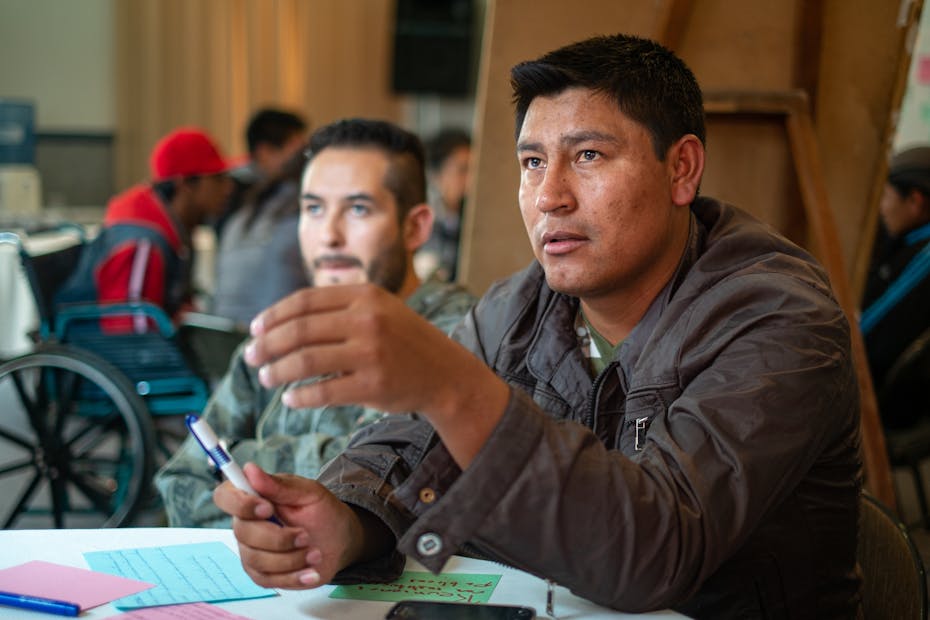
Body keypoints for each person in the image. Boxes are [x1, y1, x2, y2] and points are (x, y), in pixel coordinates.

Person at [214, 34, 861, 618]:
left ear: (682, 169)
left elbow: (657, 549)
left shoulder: (778, 318)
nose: (550, 195)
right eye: (530, 163)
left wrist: (452, 388)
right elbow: (408, 446)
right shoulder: (522, 304)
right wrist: (347, 521)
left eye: (587, 155)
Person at [155, 118, 476, 527]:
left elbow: (384, 482)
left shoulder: (460, 335)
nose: (329, 235)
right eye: (313, 208)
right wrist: (262, 530)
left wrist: (242, 457)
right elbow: (179, 480)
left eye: (358, 209)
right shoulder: (283, 334)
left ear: (415, 227)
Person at [56, 127, 232, 330]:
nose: (228, 188)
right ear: (186, 184)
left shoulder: (173, 227)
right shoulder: (141, 242)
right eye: (218, 179)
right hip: (101, 350)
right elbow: (129, 331)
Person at [210, 109, 311, 325]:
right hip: (262, 341)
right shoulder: (291, 216)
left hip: (223, 339)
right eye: (297, 148)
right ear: (264, 151)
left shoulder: (247, 207)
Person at [860, 146, 930, 427]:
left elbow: (866, 330)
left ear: (914, 200)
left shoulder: (924, 258)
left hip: (885, 405)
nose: (881, 207)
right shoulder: (911, 241)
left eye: (886, 195)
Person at [414, 128, 471, 282]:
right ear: (436, 175)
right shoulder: (422, 221)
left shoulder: (475, 219)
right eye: (462, 170)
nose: (471, 180)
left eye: (474, 171)